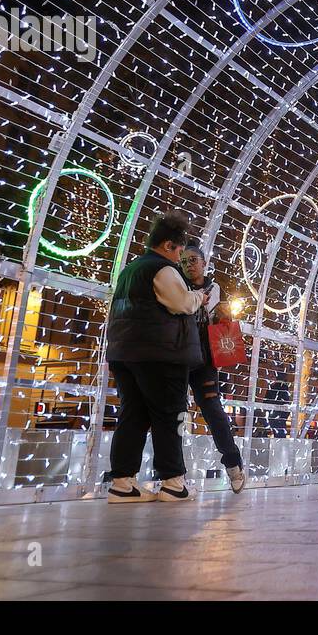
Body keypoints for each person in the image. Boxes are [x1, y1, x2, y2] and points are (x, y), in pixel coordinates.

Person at [105, 211, 208, 503]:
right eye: (179, 251)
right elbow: (181, 304)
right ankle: (174, 483)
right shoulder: (162, 269)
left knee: (132, 415)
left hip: (125, 353)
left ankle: (122, 483)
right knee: (169, 415)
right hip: (160, 355)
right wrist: (200, 296)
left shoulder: (130, 270)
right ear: (168, 246)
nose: (180, 258)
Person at [179, 244, 246, 493]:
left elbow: (223, 319)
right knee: (174, 412)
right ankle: (175, 476)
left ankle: (233, 464)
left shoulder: (216, 288)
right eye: (184, 261)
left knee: (213, 410)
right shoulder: (176, 285)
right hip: (178, 357)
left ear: (204, 262)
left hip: (205, 359)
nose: (189, 265)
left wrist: (223, 315)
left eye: (193, 260)